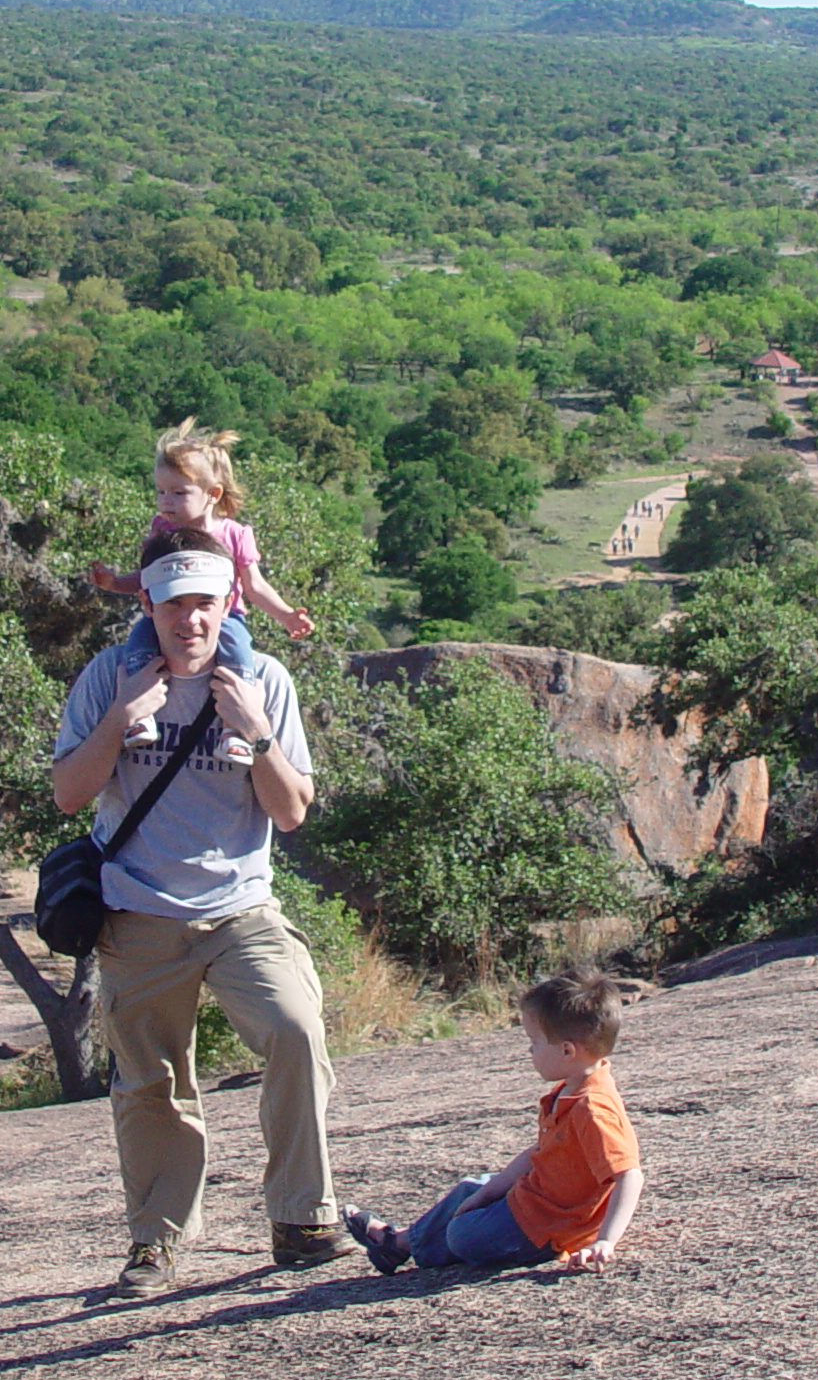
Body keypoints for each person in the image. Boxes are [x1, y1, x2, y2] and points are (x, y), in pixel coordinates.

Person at [52, 528, 345, 1296]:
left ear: (228, 604)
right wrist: (120, 719)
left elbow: (291, 814)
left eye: (205, 604)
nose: (191, 621)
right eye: (175, 603)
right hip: (137, 914)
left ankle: (302, 1217)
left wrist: (258, 730)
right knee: (150, 1084)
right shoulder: (106, 678)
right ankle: (156, 1242)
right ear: (146, 602)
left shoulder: (265, 679)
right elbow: (68, 794)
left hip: (241, 909)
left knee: (296, 1029)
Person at [342, 966, 644, 1276]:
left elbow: (628, 1175)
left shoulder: (592, 1108)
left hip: (546, 1227)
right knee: (470, 1190)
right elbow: (539, 1154)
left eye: (535, 1041)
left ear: (567, 1051)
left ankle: (413, 1245)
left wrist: (605, 1241)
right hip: (532, 1202)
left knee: (461, 1236)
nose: (530, 1049)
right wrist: (487, 1194)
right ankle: (398, 1244)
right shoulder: (570, 1090)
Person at [88, 420, 317, 758]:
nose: (166, 501)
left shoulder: (235, 535)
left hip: (224, 618)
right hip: (166, 615)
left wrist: (285, 615)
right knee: (138, 647)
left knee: (239, 658)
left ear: (213, 494)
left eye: (179, 493)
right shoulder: (161, 530)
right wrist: (115, 583)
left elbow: (254, 586)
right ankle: (141, 715)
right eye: (161, 491)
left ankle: (234, 730)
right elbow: (149, 577)